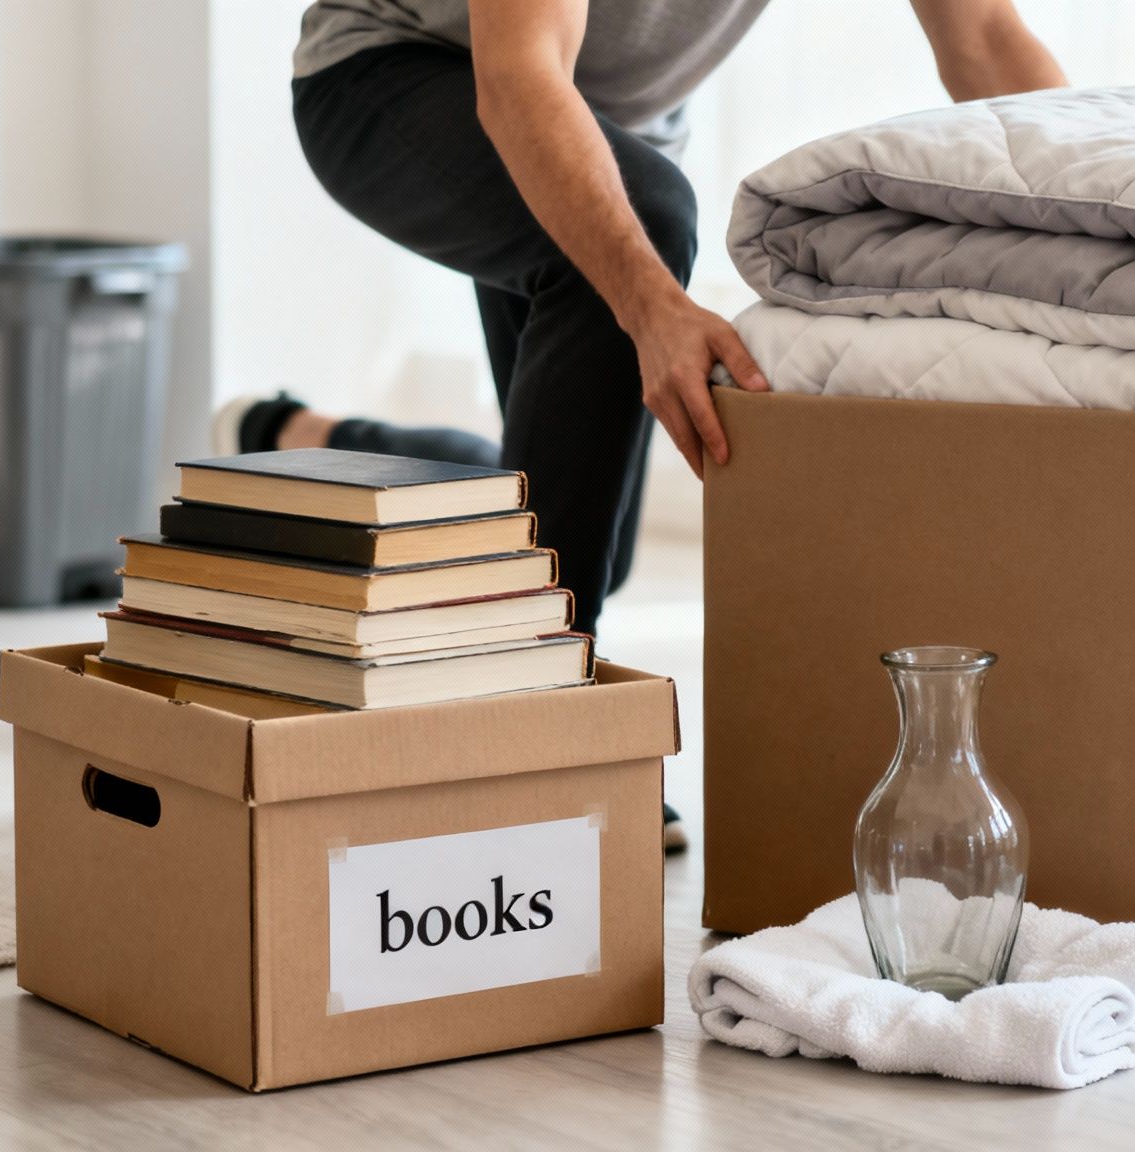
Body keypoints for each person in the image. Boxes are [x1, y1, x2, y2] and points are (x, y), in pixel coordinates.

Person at [226, 0, 1068, 849]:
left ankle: (302, 434)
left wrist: (1111, 218)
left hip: (602, 128)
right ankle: (543, 739)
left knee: (569, 525)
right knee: (645, 237)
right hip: (396, 72)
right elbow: (518, 74)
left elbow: (984, 38)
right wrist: (652, 306)